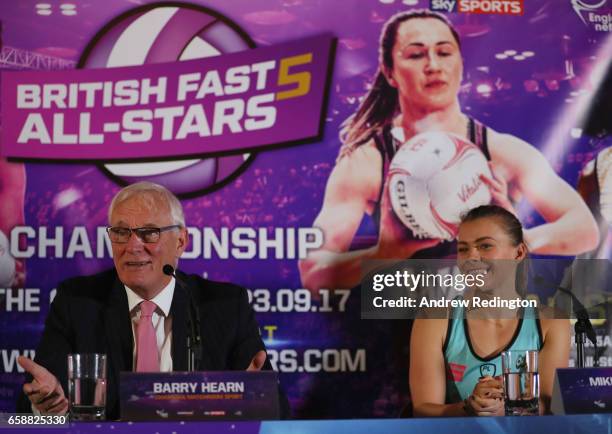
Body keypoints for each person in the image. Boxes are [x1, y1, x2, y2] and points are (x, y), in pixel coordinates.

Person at [298, 10, 599, 291]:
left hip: (491, 329)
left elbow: (584, 229)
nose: (433, 65)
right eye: (416, 54)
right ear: (390, 73)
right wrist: (384, 253)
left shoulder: (502, 151)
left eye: (444, 52)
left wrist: (518, 240)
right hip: (408, 330)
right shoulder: (366, 162)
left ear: (460, 65)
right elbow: (313, 272)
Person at [16, 181, 286, 419]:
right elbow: (29, 413)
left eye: (149, 233)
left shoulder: (225, 306)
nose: (133, 246)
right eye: (121, 233)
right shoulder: (77, 303)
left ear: (180, 241)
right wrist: (47, 410)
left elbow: (280, 413)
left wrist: (254, 401)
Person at [409, 205, 570, 416]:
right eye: (463, 248)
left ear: (519, 252)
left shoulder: (551, 322)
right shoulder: (433, 319)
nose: (471, 257)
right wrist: (469, 407)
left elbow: (550, 407)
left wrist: (509, 408)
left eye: (485, 246)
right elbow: (423, 410)